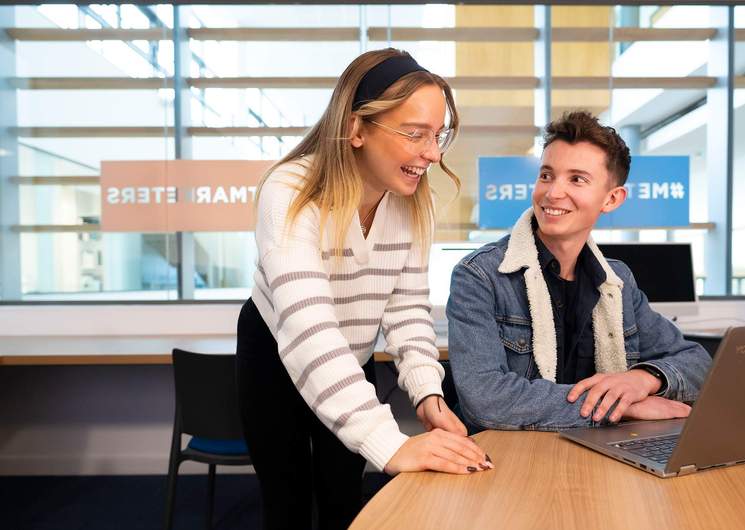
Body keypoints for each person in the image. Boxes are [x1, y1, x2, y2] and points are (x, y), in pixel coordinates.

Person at [236, 48, 490, 530]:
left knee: (344, 499)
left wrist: (427, 393)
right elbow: (309, 329)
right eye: (415, 134)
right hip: (277, 350)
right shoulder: (290, 193)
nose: (432, 154)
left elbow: (408, 309)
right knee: (286, 502)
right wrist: (392, 444)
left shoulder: (412, 203)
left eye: (438, 136)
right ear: (356, 129)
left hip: (350, 353)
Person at [447, 111, 711, 433]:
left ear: (612, 199)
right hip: (509, 458)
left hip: (595, 453)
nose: (553, 193)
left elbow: (697, 362)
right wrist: (619, 408)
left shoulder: (618, 281)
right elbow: (486, 400)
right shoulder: (481, 275)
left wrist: (641, 380)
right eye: (546, 175)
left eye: (577, 179)